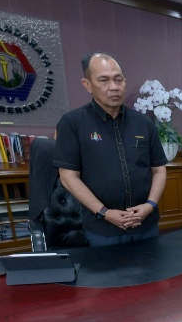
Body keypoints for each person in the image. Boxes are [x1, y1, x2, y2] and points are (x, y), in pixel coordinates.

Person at [53, 52, 167, 247]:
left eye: (118, 79)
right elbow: (68, 177)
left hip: (145, 223)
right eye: (103, 80)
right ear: (87, 85)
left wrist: (150, 205)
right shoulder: (72, 123)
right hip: (103, 228)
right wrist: (104, 212)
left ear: (125, 82)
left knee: (153, 266)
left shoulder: (144, 123)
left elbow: (159, 169)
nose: (114, 87)